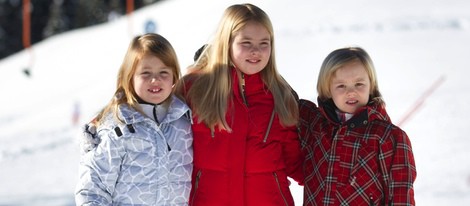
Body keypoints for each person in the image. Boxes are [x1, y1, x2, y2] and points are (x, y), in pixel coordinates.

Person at [175, 3, 303, 206]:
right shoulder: (194, 89)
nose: (256, 51)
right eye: (246, 43)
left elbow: (297, 162)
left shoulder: (280, 95)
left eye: (264, 43)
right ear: (226, 43)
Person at [75, 33, 193, 206]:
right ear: (130, 77)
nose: (155, 80)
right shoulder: (117, 129)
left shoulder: (184, 121)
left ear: (174, 76)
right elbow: (93, 189)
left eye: (163, 72)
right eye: (146, 73)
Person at [298, 47, 417, 205]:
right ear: (327, 90)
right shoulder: (315, 124)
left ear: (371, 85)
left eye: (359, 84)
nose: (351, 92)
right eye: (341, 86)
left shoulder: (389, 137)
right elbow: (279, 97)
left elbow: (401, 195)